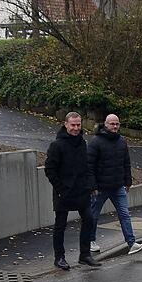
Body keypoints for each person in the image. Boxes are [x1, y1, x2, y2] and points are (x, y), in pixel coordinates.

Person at [44, 112, 101, 270]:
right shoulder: (57, 145)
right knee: (60, 225)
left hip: (81, 190)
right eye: (73, 125)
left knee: (89, 219)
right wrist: (60, 188)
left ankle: (84, 255)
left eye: (78, 125)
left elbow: (86, 167)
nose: (76, 128)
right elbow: (50, 169)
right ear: (66, 124)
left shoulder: (82, 143)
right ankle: (59, 257)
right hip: (64, 192)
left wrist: (91, 186)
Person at [87, 114, 142, 255]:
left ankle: (131, 243)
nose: (115, 126)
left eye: (117, 124)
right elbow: (89, 166)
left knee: (124, 214)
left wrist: (128, 181)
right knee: (93, 215)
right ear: (106, 124)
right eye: (112, 124)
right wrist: (92, 186)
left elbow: (126, 162)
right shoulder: (96, 142)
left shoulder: (121, 141)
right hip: (100, 188)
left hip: (118, 186)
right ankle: (90, 241)